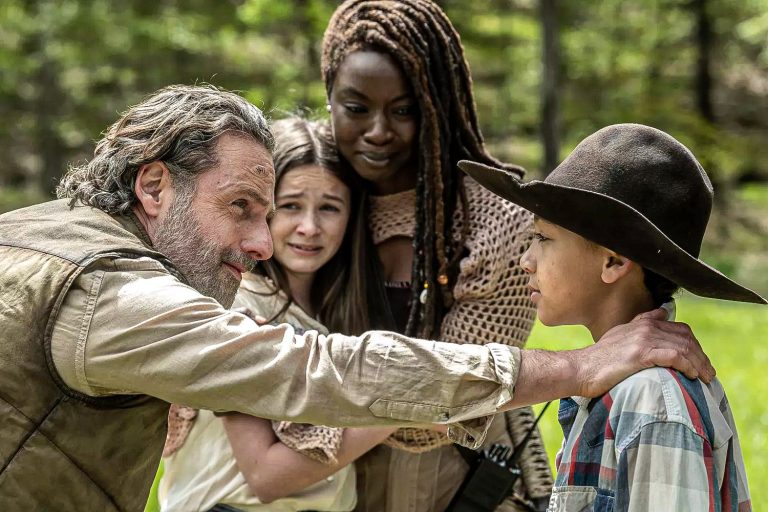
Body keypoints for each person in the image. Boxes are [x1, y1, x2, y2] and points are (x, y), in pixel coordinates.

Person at [0, 84, 713, 511]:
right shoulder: (109, 295)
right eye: (241, 206)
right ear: (154, 186)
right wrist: (576, 367)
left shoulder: (37, 235)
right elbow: (317, 373)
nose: (263, 242)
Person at [459, 123, 763, 511]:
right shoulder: (618, 383)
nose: (526, 260)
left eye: (544, 239)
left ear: (613, 262)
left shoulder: (652, 400)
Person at [319, 1, 549, 509]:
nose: (378, 130)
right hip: (319, 488)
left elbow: (454, 393)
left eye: (404, 111)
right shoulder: (311, 195)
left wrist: (292, 416)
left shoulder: (497, 221)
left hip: (451, 484)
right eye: (356, 108)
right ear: (329, 98)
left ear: (438, 105)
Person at [159, 117, 398, 511]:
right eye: (290, 206)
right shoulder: (238, 308)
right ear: (262, 209)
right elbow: (266, 476)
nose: (309, 227)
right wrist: (404, 403)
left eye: (329, 208)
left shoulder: (338, 317)